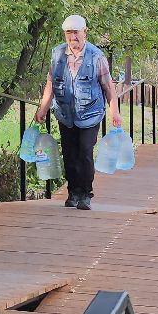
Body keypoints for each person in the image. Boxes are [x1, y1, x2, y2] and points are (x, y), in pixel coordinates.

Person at [34, 14, 120, 210]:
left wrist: (114, 112)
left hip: (90, 114)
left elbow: (108, 86)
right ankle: (72, 192)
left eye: (76, 32)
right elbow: (51, 84)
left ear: (84, 32)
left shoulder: (96, 56)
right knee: (70, 154)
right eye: (68, 33)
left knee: (85, 152)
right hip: (65, 114)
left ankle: (85, 194)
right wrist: (43, 109)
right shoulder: (57, 54)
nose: (73, 37)